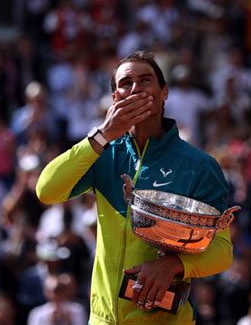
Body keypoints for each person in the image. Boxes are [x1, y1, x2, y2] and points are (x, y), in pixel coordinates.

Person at [36, 50, 238, 324]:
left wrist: (174, 265)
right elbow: (46, 190)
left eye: (145, 81)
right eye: (125, 83)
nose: (135, 88)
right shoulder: (102, 152)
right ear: (114, 98)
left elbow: (222, 251)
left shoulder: (199, 166)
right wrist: (103, 134)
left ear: (164, 92)